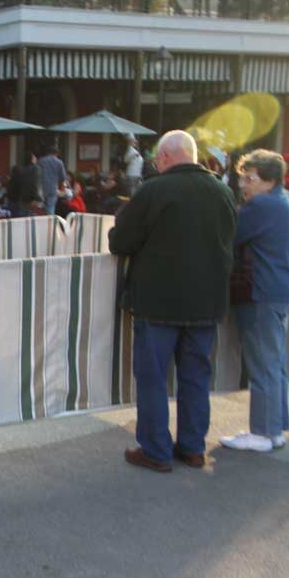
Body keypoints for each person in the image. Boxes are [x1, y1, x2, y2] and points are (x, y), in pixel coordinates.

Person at [109, 131, 237, 472]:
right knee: (196, 376)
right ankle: (193, 448)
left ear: (165, 157)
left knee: (152, 378)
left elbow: (120, 240)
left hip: (158, 302)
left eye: (156, 159)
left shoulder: (154, 190)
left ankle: (155, 450)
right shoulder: (223, 192)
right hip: (206, 303)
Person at [220, 150, 289, 452]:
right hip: (281, 289)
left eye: (250, 178)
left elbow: (229, 236)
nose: (244, 183)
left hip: (260, 293)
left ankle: (263, 433)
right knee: (275, 362)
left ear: (269, 180)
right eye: (243, 176)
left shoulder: (260, 206)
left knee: (263, 364)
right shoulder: (284, 202)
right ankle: (276, 428)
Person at [6, 153, 41, 218]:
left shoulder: (20, 169)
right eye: (35, 158)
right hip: (26, 199)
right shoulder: (35, 169)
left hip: (17, 199)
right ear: (32, 159)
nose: (36, 159)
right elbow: (34, 184)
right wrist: (36, 197)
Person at [37, 146, 67, 215]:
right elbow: (63, 178)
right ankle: (50, 223)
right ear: (56, 153)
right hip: (53, 189)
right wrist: (64, 187)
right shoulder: (59, 162)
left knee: (41, 208)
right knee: (51, 207)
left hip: (41, 188)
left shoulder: (40, 161)